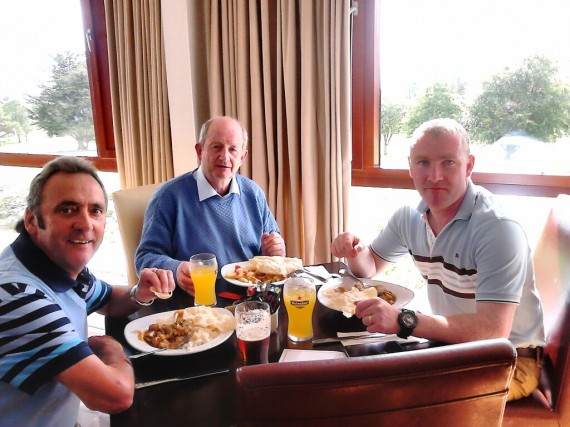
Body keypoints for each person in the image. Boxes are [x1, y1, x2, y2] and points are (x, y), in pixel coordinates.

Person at [331, 118, 545, 401]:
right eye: (423, 163)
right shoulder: (409, 216)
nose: (434, 176)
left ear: (468, 166)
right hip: (450, 344)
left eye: (448, 163)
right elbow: (370, 266)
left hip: (510, 360)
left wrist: (405, 320)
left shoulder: (498, 228)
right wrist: (354, 253)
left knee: (386, 395)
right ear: (410, 166)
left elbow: (494, 330)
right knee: (352, 375)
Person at [0, 156, 175, 426]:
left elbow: (107, 300)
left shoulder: (54, 262)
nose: (85, 224)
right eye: (67, 210)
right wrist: (111, 347)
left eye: (95, 210)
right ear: (32, 220)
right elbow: (115, 395)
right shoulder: (18, 295)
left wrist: (139, 292)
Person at [135, 116, 285, 295]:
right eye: (216, 147)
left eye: (233, 149)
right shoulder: (169, 196)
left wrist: (276, 251)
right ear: (200, 151)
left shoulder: (254, 193)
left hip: (252, 298)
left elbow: (271, 250)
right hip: (197, 303)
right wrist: (176, 269)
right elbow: (145, 258)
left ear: (243, 157)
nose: (225, 156)